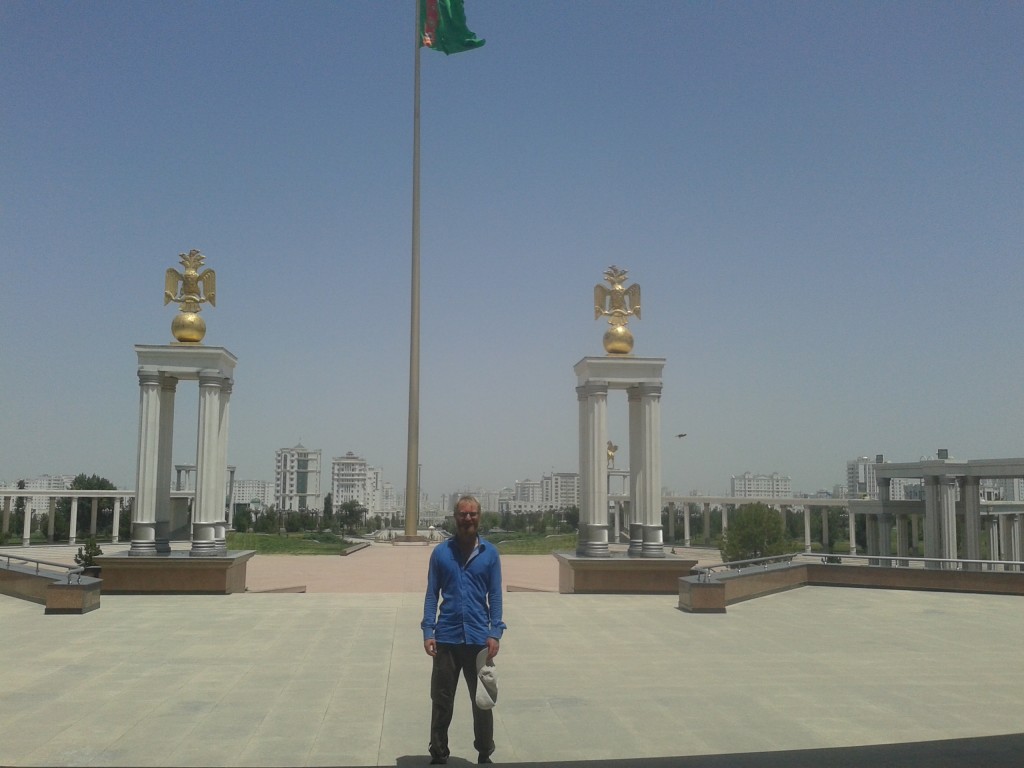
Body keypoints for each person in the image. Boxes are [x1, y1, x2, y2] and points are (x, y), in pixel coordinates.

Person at [422, 495, 506, 765]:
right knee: (442, 700)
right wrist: (428, 631)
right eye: (462, 514)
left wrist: (495, 632)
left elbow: (495, 596)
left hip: (479, 639)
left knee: (482, 702)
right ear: (455, 517)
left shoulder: (490, 554)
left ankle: (484, 752)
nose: (467, 518)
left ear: (479, 516)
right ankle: (438, 753)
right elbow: (431, 595)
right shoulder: (441, 553)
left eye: (472, 514)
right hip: (446, 637)